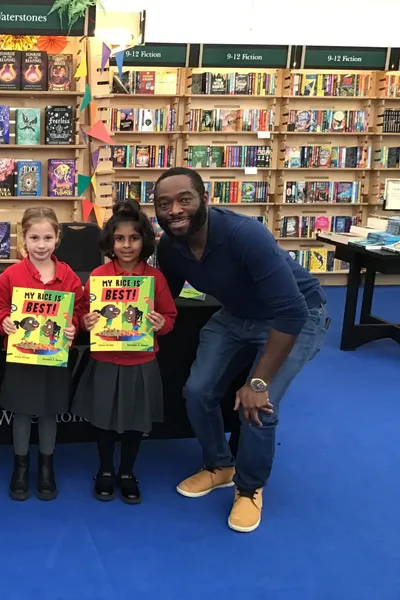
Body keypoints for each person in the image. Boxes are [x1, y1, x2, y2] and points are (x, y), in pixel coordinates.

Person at [154, 167, 328, 533]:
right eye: (164, 203)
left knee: (259, 406)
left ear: (205, 199)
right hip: (236, 314)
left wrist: (260, 382)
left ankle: (249, 489)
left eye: (184, 199)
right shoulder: (170, 246)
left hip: (296, 315)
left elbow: (293, 310)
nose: (174, 210)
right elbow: (161, 295)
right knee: (197, 391)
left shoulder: (244, 234)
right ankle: (220, 466)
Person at [73, 200, 177, 504]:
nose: (127, 245)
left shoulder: (154, 279)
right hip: (105, 360)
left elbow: (170, 318)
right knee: (103, 420)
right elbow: (81, 315)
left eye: (133, 238)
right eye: (119, 238)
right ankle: (105, 470)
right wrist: (86, 321)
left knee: (135, 421)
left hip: (141, 361)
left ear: (144, 240)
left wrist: (160, 323)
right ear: (110, 242)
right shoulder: (98, 276)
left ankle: (128, 471)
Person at [0, 207, 86, 501]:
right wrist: (2, 322)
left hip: (54, 358)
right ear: (23, 241)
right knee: (20, 411)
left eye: (47, 237)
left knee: (49, 413)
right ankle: (20, 466)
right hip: (21, 357)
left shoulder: (68, 275)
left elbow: (79, 311)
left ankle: (47, 466)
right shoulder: (11, 274)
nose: (41, 244)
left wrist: (73, 327)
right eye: (34, 237)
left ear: (57, 238)